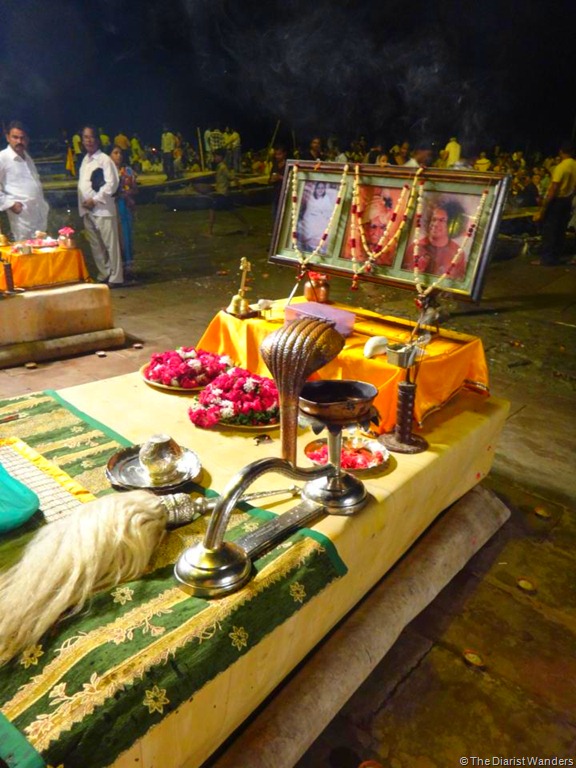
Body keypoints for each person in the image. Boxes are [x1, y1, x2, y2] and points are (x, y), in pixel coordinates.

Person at [78, 125, 124, 287]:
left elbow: (112, 184)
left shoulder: (104, 159)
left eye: (91, 137)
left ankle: (116, 277)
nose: (88, 141)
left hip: (102, 209)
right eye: (85, 137)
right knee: (96, 245)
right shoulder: (85, 160)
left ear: (97, 139)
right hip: (87, 210)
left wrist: (95, 200)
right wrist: (84, 204)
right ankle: (104, 273)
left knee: (111, 245)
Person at [0, 121, 49, 241]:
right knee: (24, 249)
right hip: (21, 217)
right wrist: (10, 204)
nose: (19, 141)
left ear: (27, 139)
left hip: (38, 213)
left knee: (40, 248)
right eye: (15, 137)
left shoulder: (27, 157)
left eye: (22, 138)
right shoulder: (3, 158)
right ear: (7, 137)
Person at [531, 140, 576, 266]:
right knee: (561, 230)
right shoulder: (574, 165)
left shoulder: (561, 167)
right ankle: (556, 256)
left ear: (561, 152)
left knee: (550, 230)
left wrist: (544, 207)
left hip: (557, 201)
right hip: (567, 201)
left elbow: (554, 188)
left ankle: (547, 258)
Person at [402, 199, 466, 279]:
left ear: (451, 225)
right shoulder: (414, 248)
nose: (435, 224)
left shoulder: (458, 254)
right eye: (434, 219)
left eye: (442, 220)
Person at [207, 149, 250, 236]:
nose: (214, 158)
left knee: (212, 210)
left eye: (216, 156)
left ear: (220, 157)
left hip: (222, 194)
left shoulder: (223, 167)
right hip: (222, 194)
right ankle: (247, 225)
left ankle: (209, 232)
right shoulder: (219, 167)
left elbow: (233, 178)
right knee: (233, 211)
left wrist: (242, 189)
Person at [110, 145, 138, 279]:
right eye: (115, 153)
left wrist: (127, 193)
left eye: (120, 153)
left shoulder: (127, 171)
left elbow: (135, 189)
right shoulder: (107, 171)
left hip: (125, 205)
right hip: (112, 206)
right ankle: (117, 266)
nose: (118, 156)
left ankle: (128, 265)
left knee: (126, 234)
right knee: (115, 235)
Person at [297, 180, 335, 251]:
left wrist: (322, 214)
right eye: (318, 188)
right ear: (315, 189)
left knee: (324, 227)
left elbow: (329, 211)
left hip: (322, 218)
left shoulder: (326, 198)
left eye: (322, 188)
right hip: (310, 217)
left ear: (324, 189)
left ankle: (319, 246)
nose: (320, 190)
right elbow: (309, 211)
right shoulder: (311, 197)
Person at [269, 144, 288, 221]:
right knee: (274, 214)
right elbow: (270, 179)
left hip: (285, 194)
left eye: (279, 154)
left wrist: (280, 177)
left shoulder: (288, 166)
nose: (277, 156)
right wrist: (272, 179)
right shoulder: (275, 165)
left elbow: (291, 179)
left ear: (284, 154)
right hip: (276, 194)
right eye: (276, 154)